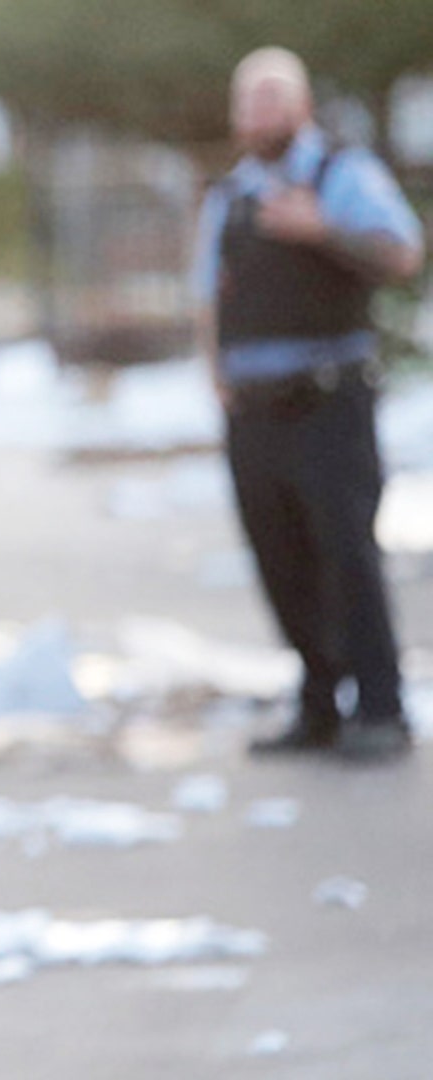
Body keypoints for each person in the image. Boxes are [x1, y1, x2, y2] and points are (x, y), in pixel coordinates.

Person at [193, 47, 425, 761]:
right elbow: (207, 295)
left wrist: (321, 228)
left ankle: (380, 706)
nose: (260, 113)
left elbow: (403, 254)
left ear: (301, 106)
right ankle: (319, 700)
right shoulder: (230, 198)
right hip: (254, 405)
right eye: (249, 100)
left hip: (328, 400)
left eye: (273, 98)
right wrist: (216, 375)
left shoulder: (342, 176)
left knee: (345, 553)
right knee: (280, 555)